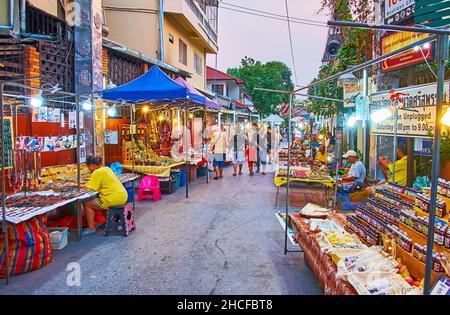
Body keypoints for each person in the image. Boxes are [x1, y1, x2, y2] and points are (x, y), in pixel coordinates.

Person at [82, 156, 128, 236]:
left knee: (88, 204)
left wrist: (77, 185)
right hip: (123, 196)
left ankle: (91, 228)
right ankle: (110, 222)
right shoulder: (107, 168)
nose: (89, 169)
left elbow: (92, 188)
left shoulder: (97, 172)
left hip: (113, 198)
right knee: (101, 200)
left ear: (92, 165)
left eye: (88, 167)